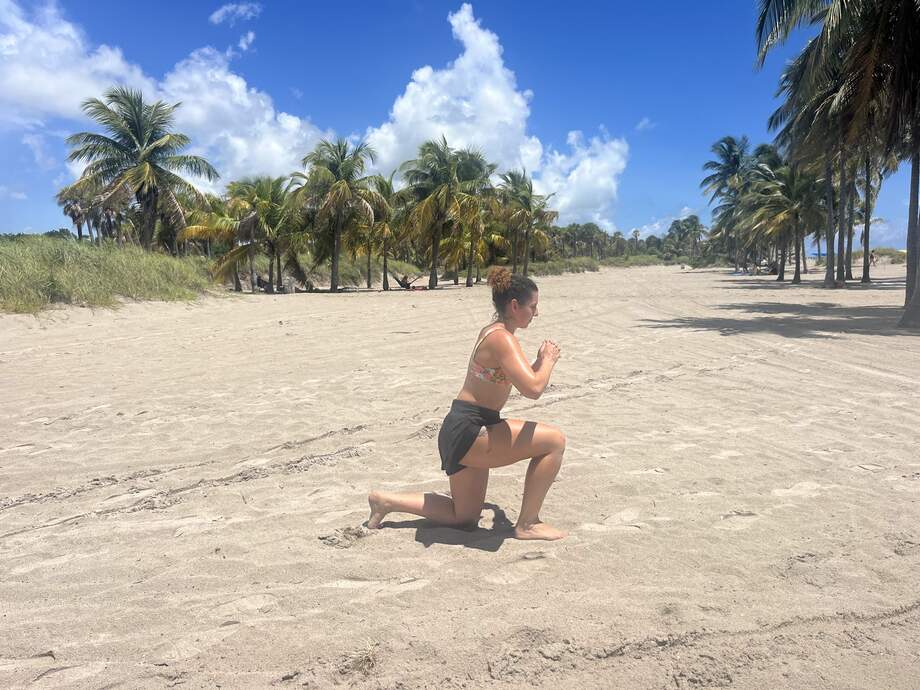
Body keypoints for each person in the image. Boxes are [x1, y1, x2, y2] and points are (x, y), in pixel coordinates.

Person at [367, 267, 566, 540]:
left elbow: (520, 378)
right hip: (472, 430)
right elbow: (533, 388)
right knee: (554, 442)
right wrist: (548, 361)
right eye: (533, 306)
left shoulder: (496, 332)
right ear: (515, 305)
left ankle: (386, 501)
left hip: (463, 428)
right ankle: (528, 524)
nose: (537, 313)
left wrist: (538, 364)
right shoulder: (502, 339)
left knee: (465, 518)